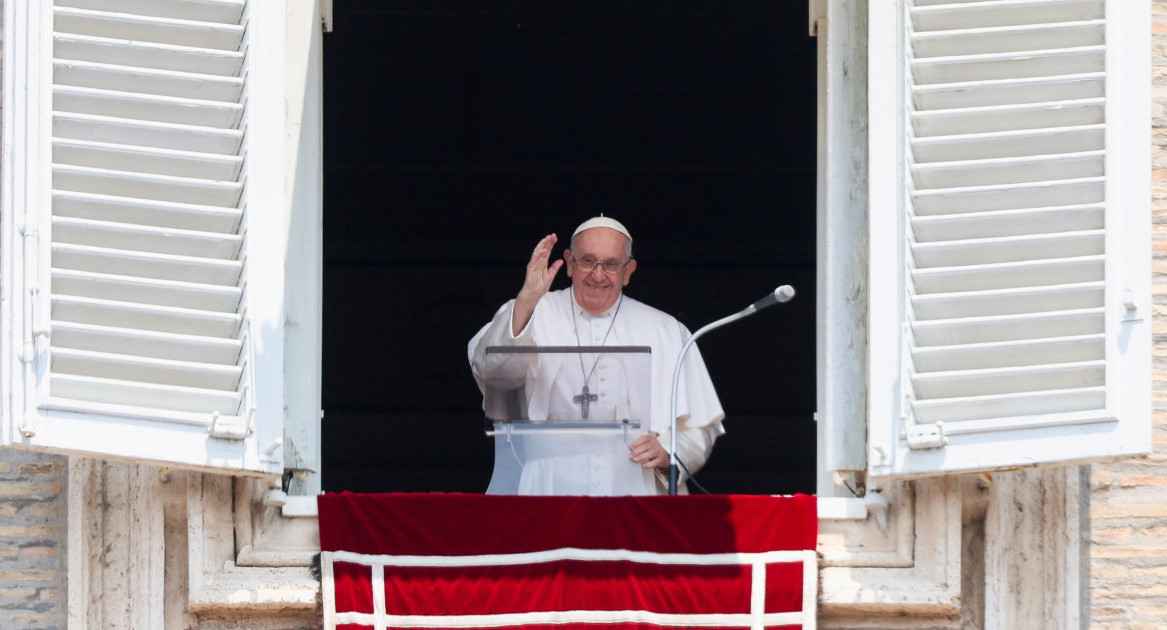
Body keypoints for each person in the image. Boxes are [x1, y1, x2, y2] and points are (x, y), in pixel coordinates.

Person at [468, 216, 724, 495]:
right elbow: (492, 372)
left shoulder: (665, 330)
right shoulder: (530, 311)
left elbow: (700, 426)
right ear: (569, 263)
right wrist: (528, 296)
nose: (597, 275)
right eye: (588, 261)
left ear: (628, 271)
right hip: (546, 488)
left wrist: (669, 450)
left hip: (635, 489)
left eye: (611, 264)